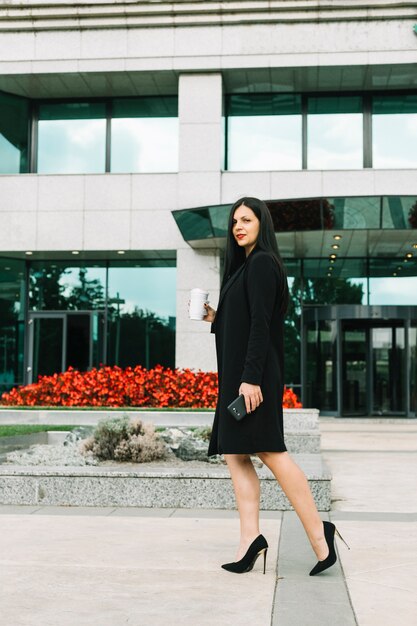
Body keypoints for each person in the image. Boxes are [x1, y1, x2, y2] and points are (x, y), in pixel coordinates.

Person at [202, 197, 348, 575]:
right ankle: (250, 540)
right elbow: (242, 322)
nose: (238, 226)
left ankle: (320, 535)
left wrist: (250, 378)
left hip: (254, 380)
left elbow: (262, 326)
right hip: (238, 379)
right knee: (236, 455)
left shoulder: (263, 263)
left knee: (271, 453)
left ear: (260, 224)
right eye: (234, 221)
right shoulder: (244, 267)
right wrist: (215, 318)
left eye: (246, 220)